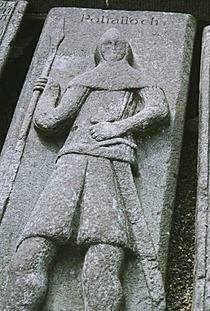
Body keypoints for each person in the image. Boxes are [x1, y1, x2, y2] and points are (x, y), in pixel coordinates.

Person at [3, 28, 169, 310]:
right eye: (111, 44)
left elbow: (49, 120)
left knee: (100, 252)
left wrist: (50, 92)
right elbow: (51, 124)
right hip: (87, 161)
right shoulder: (121, 79)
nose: (114, 47)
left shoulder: (93, 79)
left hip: (100, 162)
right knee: (41, 247)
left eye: (117, 43)